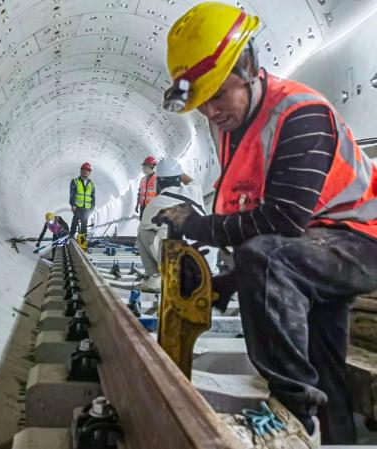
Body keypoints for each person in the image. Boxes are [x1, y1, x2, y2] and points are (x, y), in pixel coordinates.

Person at [155, 2, 377, 447]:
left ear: (250, 67)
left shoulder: (299, 113)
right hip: (314, 251)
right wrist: (224, 284)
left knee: (264, 257)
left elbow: (283, 220)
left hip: (360, 242)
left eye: (219, 95)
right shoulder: (232, 125)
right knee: (325, 366)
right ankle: (332, 437)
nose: (211, 111)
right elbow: (261, 222)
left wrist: (201, 227)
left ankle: (292, 414)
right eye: (202, 102)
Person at [137, 158, 215, 292]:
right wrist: (177, 171)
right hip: (206, 266)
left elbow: (145, 228)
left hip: (178, 267)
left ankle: (155, 279)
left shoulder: (155, 204)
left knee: (142, 232)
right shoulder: (194, 191)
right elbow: (191, 181)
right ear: (178, 178)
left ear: (158, 182)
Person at [69, 162, 95, 238]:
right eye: (83, 170)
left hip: (87, 207)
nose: (85, 172)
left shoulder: (91, 184)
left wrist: (92, 208)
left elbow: (93, 197)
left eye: (87, 170)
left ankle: (83, 239)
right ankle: (71, 236)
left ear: (89, 172)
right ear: (81, 171)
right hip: (77, 206)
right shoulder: (75, 181)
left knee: (84, 224)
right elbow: (72, 194)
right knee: (75, 221)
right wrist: (73, 204)